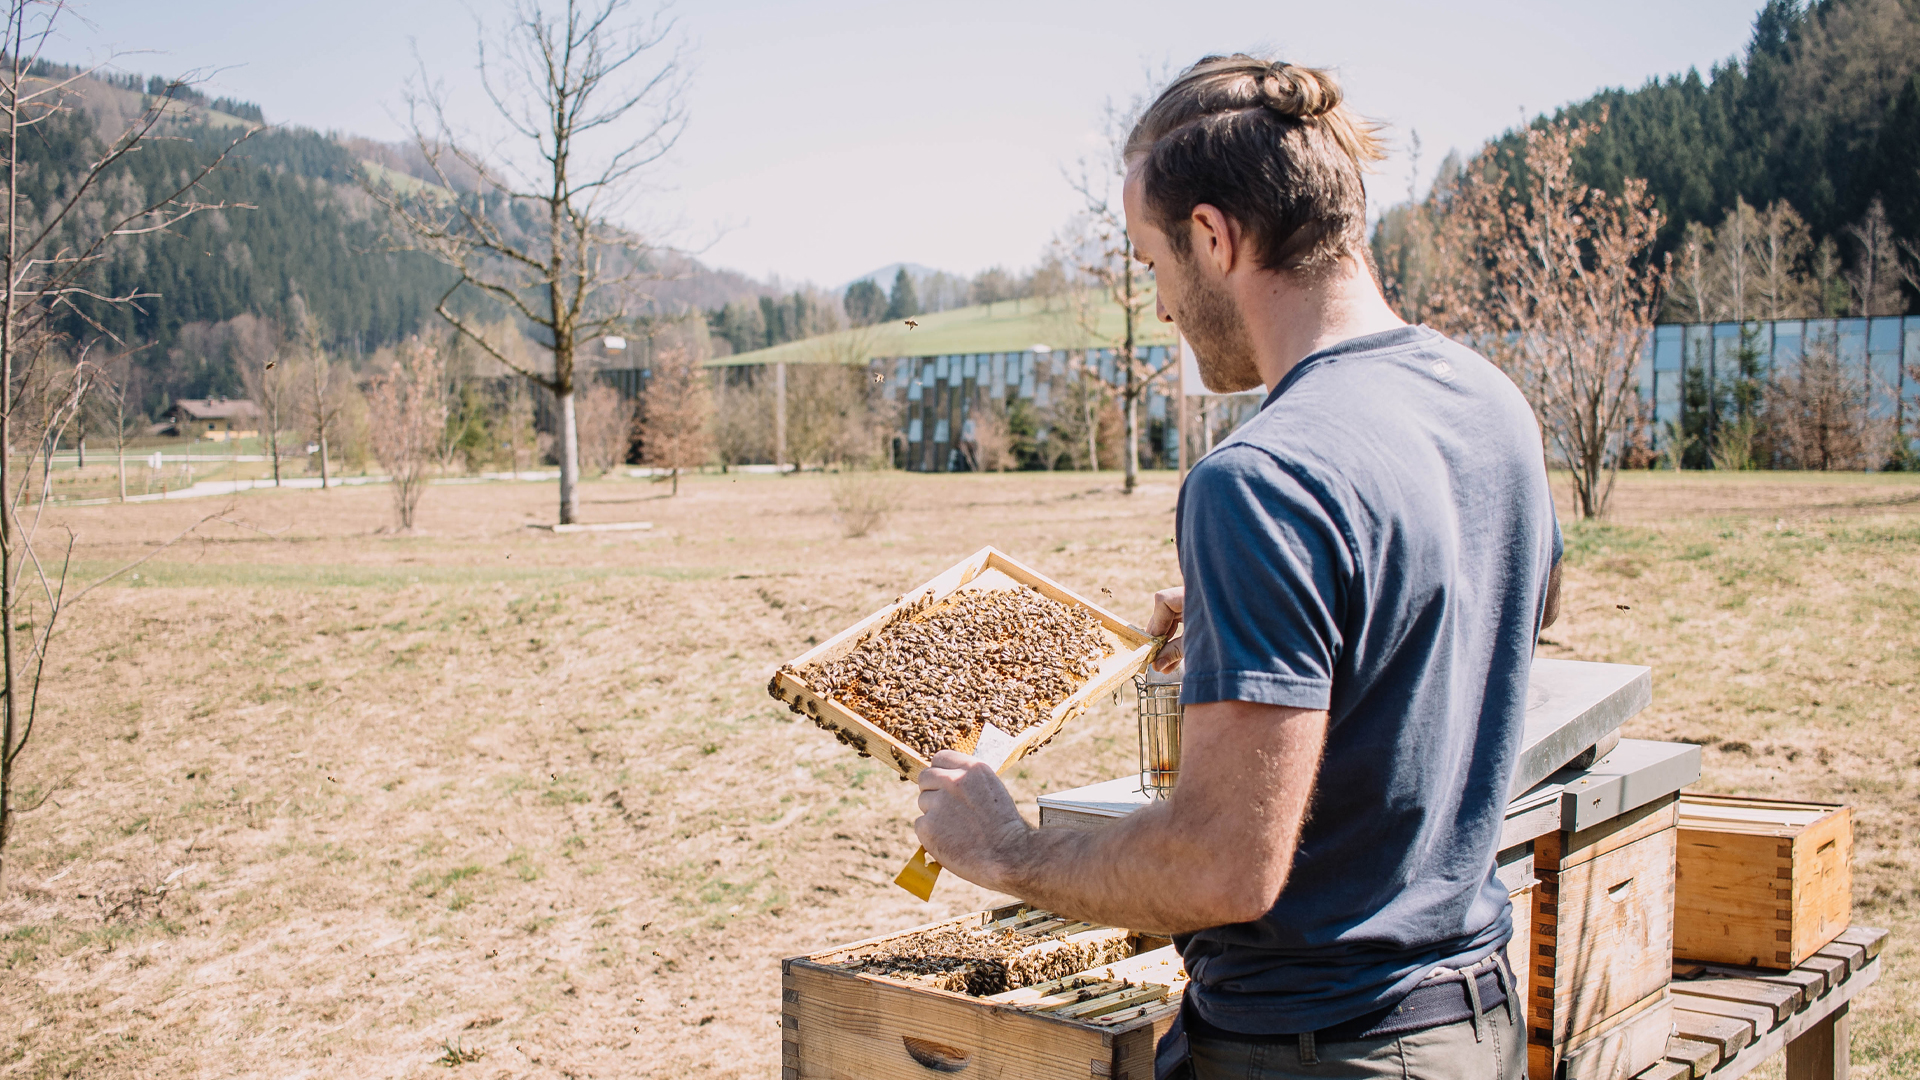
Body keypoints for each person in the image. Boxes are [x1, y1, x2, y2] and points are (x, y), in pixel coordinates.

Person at [910, 54, 1561, 1079]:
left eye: (1151, 262)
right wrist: (1263, 617)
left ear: (1213, 237)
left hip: (1321, 1047)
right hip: (1473, 1015)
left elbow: (1225, 868)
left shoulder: (1257, 479)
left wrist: (1008, 849)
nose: (1160, 306)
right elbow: (1492, 601)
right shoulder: (1489, 403)